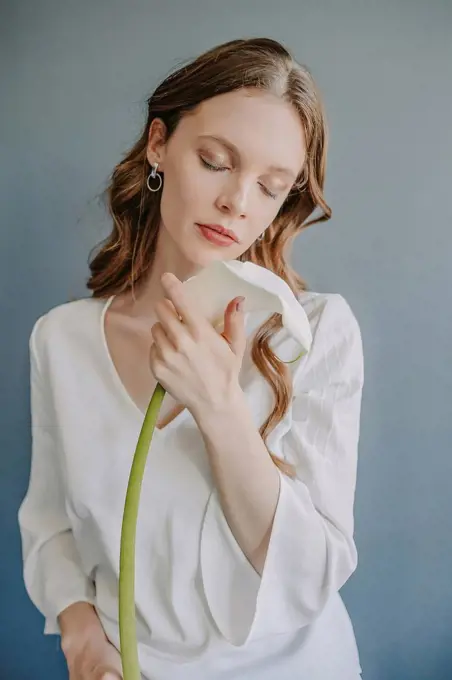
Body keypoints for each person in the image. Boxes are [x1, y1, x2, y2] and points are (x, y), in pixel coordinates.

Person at [18, 37, 364, 680]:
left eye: (270, 186)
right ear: (159, 145)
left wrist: (219, 407)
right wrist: (82, 635)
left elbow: (314, 569)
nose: (238, 201)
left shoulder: (313, 332)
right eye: (214, 161)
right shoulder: (61, 340)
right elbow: (49, 526)